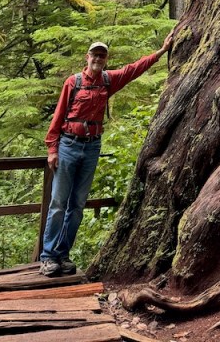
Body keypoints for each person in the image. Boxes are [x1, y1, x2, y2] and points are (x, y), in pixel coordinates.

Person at [39, 33, 174, 277]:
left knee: (77, 205)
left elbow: (134, 70)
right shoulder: (74, 82)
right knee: (58, 203)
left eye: (102, 55)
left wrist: (161, 51)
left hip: (91, 147)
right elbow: (58, 116)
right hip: (68, 145)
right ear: (87, 57)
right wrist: (52, 148)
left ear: (106, 59)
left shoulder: (108, 81)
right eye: (95, 55)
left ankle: (62, 254)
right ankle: (48, 257)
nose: (98, 59)